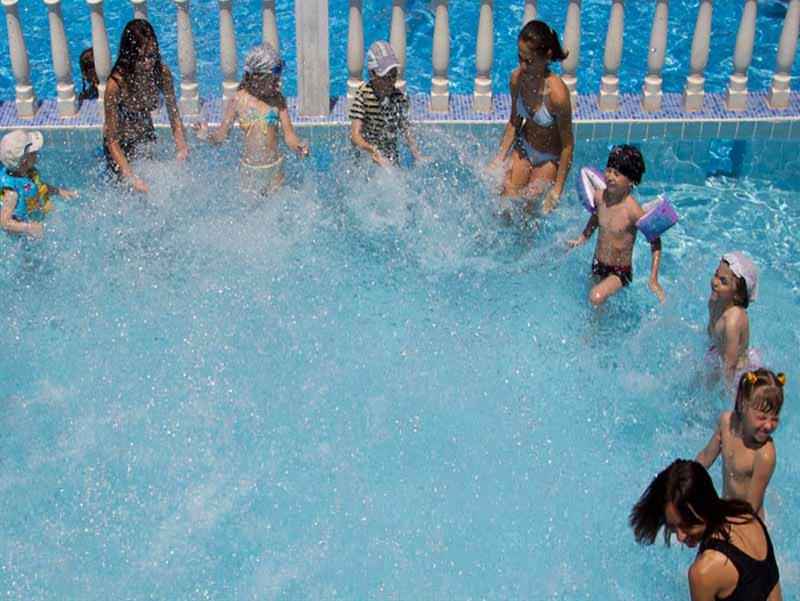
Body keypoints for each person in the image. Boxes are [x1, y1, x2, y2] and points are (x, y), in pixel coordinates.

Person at [631, 459, 782, 601]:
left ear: (704, 507)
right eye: (672, 527)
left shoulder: (704, 571)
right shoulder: (747, 517)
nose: (680, 537)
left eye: (688, 524)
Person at [195, 43, 308, 196]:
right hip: (250, 171)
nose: (279, 83)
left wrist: (298, 146)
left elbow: (289, 136)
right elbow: (221, 136)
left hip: (275, 168)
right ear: (257, 77)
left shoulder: (277, 100)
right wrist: (206, 134)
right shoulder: (238, 100)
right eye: (274, 80)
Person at [488, 20, 574, 214]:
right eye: (520, 58)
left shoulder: (558, 95)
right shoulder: (517, 79)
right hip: (524, 148)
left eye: (529, 61)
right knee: (506, 203)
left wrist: (557, 190)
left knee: (529, 208)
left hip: (548, 159)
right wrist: (499, 159)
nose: (523, 66)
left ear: (547, 56)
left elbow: (568, 145)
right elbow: (514, 122)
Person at [568, 145, 664, 306]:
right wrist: (583, 237)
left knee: (596, 296)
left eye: (617, 174)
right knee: (593, 305)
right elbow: (596, 217)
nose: (610, 176)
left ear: (631, 181)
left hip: (619, 273)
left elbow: (655, 240)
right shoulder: (600, 197)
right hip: (598, 264)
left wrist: (653, 278)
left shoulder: (633, 210)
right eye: (609, 171)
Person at [102, 19, 188, 193]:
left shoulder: (162, 74)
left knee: (153, 191)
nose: (148, 63)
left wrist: (181, 148)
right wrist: (130, 176)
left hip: (146, 135)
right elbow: (112, 140)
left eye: (152, 55)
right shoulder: (116, 85)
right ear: (129, 56)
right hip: (120, 145)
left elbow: (174, 116)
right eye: (141, 58)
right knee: (124, 193)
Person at [696, 369, 785, 518]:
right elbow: (704, 458)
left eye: (774, 418)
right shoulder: (726, 423)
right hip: (727, 512)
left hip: (747, 520)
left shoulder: (765, 455)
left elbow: (750, 509)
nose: (769, 425)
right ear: (744, 405)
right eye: (762, 417)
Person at [349, 41, 425, 167]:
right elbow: (355, 135)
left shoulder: (398, 97)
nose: (391, 81)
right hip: (366, 150)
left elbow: (406, 130)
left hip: (389, 150)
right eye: (385, 76)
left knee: (395, 173)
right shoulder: (363, 94)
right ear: (373, 74)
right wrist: (372, 151)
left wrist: (417, 155)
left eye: (393, 75)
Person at [0, 130, 78, 237]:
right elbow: (4, 222)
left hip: (36, 215)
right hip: (20, 236)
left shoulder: (26, 173)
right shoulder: (11, 193)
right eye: (34, 153)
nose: (37, 155)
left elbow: (39, 185)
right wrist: (28, 227)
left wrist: (59, 191)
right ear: (24, 161)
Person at [707, 252, 760, 385]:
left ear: (737, 295)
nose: (715, 282)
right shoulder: (715, 301)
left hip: (738, 371)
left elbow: (730, 365)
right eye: (716, 275)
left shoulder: (733, 320)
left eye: (723, 281)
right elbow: (711, 331)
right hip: (720, 355)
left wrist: (725, 392)